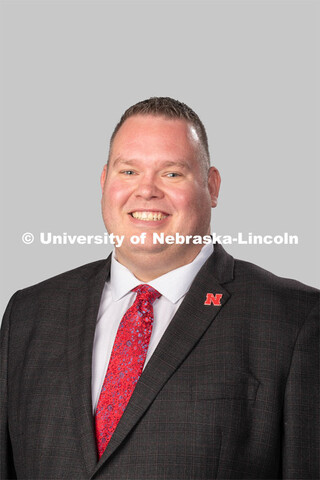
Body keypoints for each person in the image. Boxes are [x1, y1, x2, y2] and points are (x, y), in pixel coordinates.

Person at [1, 97, 319, 480]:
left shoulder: (295, 320)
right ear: (104, 182)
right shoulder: (28, 313)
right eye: (129, 171)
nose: (146, 191)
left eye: (171, 173)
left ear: (212, 186)